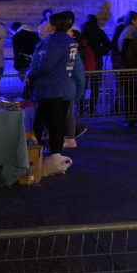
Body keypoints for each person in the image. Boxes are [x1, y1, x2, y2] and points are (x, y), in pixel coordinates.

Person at [24, 12, 85, 172]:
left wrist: (31, 73)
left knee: (50, 123)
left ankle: (51, 155)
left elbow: (47, 66)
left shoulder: (56, 41)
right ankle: (53, 154)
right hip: (61, 87)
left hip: (51, 88)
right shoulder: (68, 41)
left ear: (54, 25)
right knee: (54, 123)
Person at [79, 15, 111, 116]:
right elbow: (108, 44)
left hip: (84, 63)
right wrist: (101, 53)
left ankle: (81, 109)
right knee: (95, 86)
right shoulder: (99, 32)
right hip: (97, 62)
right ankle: (92, 109)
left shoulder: (82, 33)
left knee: (83, 87)